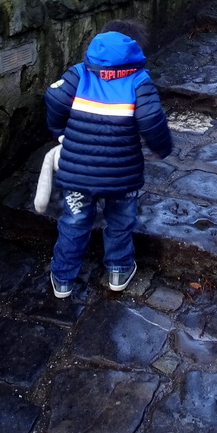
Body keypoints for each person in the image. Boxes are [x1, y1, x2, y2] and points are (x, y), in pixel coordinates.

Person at [44, 19, 172, 299]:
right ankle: (118, 270)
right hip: (122, 176)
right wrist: (161, 147)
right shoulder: (139, 81)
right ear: (134, 49)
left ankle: (63, 277)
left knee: (75, 221)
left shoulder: (79, 74)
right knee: (119, 222)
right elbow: (151, 119)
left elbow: (54, 97)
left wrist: (58, 130)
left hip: (77, 175)